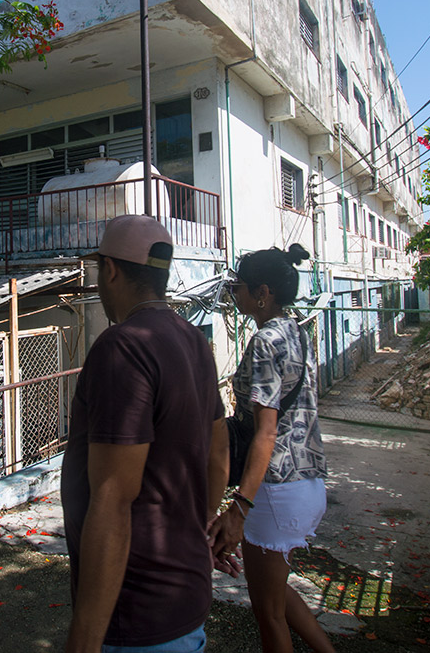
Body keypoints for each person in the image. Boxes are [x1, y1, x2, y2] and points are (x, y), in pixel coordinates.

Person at [62, 215, 229, 653]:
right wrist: (195, 532)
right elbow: (218, 457)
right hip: (186, 598)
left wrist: (84, 641)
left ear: (111, 270)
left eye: (99, 270)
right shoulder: (195, 341)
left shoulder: (123, 347)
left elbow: (113, 500)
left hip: (135, 612)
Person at [207, 244, 333, 653]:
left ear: (262, 292)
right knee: (276, 594)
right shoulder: (298, 330)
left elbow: (265, 431)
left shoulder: (264, 341)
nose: (235, 294)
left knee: (267, 611)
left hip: (274, 489)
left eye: (239, 287)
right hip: (308, 482)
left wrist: (240, 507)